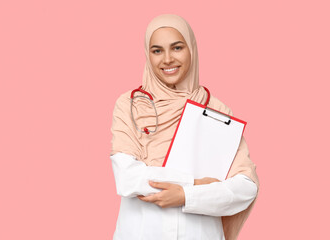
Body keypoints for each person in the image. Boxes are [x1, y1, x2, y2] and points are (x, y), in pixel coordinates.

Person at [110, 14, 259, 240]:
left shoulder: (217, 111)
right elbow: (128, 178)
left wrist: (186, 197)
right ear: (147, 55)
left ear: (191, 49)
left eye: (177, 48)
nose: (167, 59)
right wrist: (195, 184)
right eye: (157, 50)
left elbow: (245, 188)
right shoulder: (131, 104)